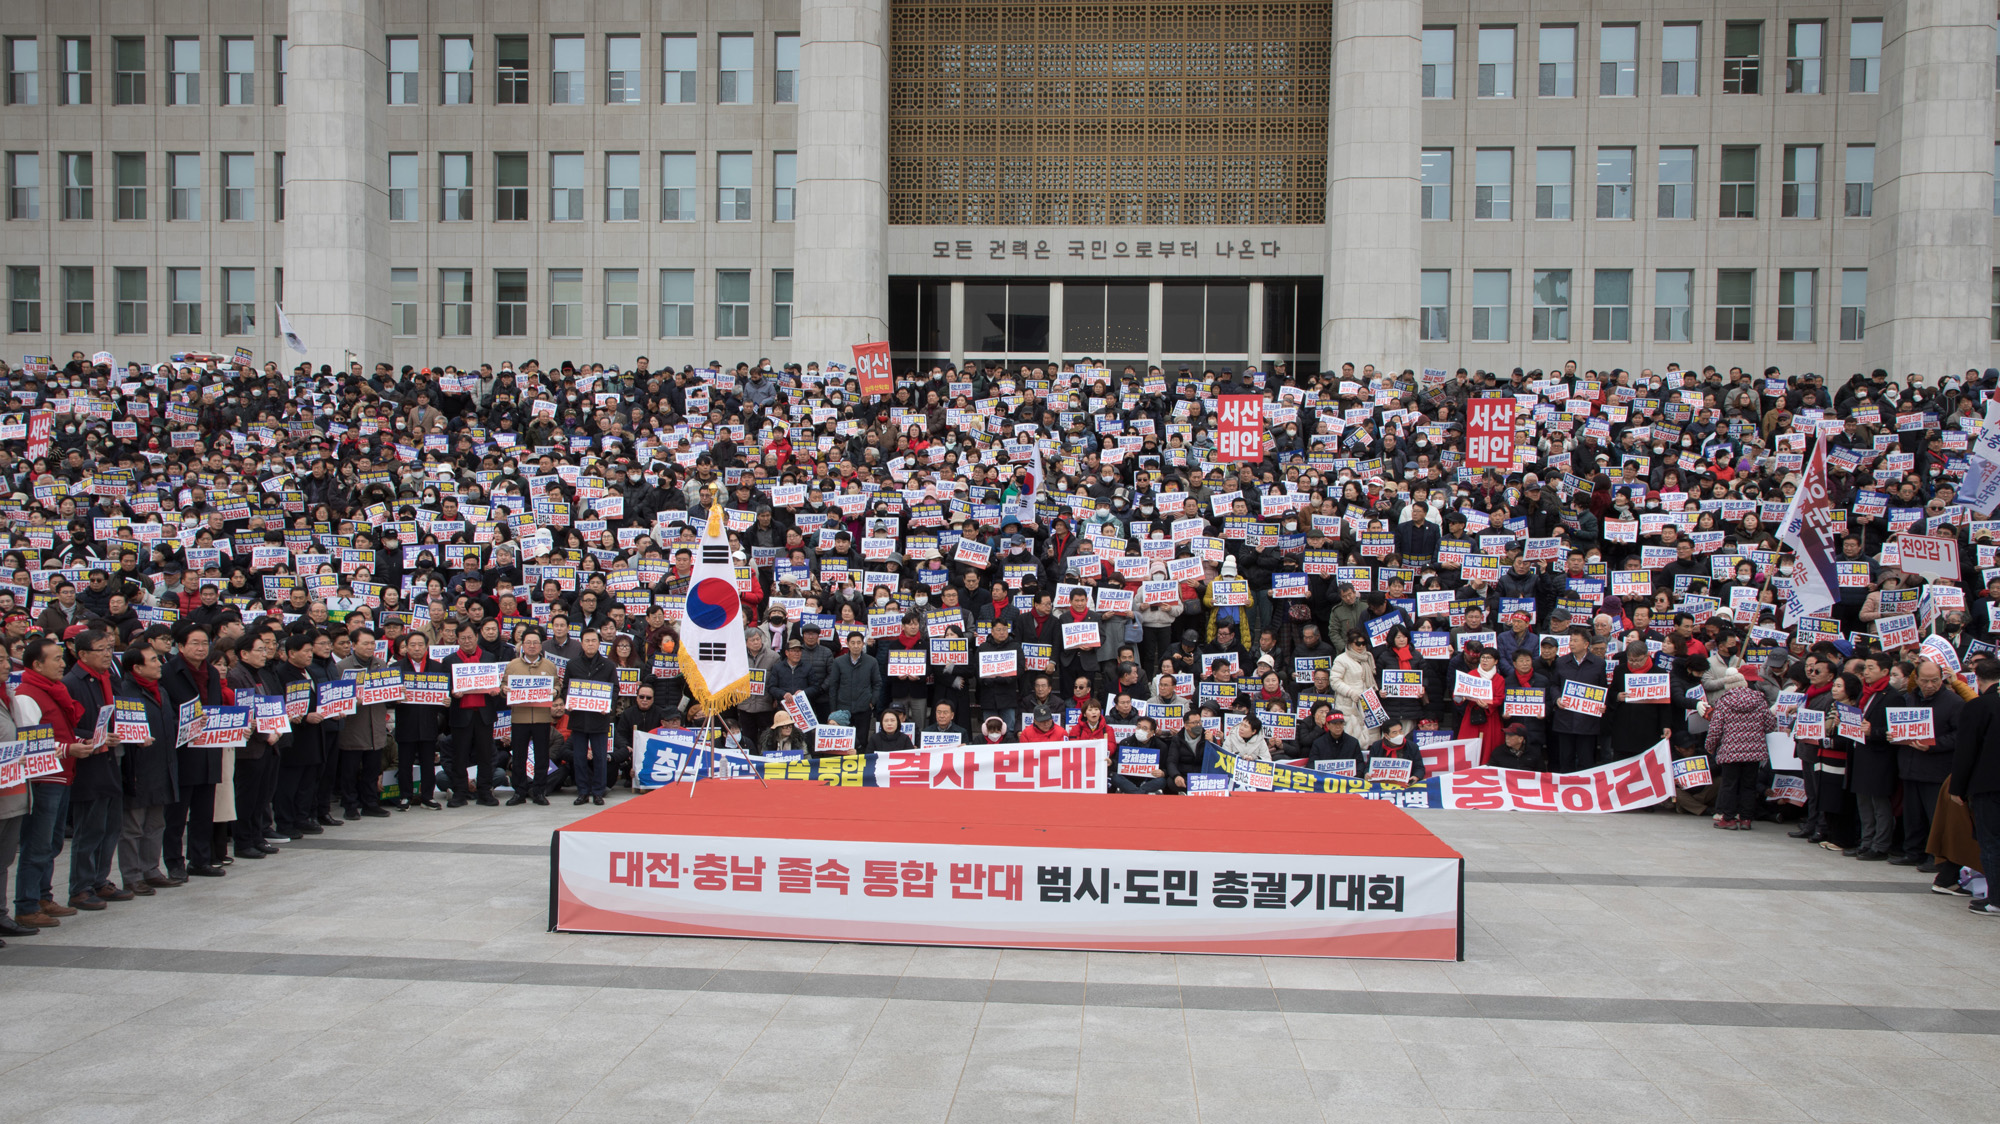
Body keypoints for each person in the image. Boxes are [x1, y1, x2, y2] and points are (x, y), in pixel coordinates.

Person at [14, 637, 96, 922]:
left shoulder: (53, 690)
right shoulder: (27, 695)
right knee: (37, 844)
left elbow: (59, 732)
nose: (63, 664)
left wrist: (86, 740)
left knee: (51, 843)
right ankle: (27, 905)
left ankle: (43, 896)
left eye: (63, 658)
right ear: (37, 664)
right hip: (43, 779)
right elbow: (30, 744)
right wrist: (67, 749)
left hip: (62, 775)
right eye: (56, 659)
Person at [114, 643, 179, 899]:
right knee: (132, 828)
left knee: (155, 823)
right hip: (137, 769)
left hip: (162, 766)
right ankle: (132, 876)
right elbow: (121, 731)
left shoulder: (160, 690)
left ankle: (151, 869)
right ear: (137, 667)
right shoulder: (125, 693)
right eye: (153, 660)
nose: (159, 664)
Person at [1950, 656, 2000, 914]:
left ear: (1978, 680)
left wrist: (1957, 788)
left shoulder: (1979, 706)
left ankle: (1996, 899)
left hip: (1988, 785)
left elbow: (1966, 751)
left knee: (1991, 841)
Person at [1703, 668, 1774, 830]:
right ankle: (1746, 819)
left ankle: (1728, 818)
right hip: (1754, 752)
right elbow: (1770, 725)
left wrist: (1710, 747)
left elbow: (1715, 730)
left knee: (1729, 785)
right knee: (1749, 786)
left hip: (1730, 752)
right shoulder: (1759, 700)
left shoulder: (1724, 702)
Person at [334, 627, 392, 820]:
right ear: (353, 645)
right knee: (350, 770)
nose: (369, 647)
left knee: (372, 769)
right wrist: (352, 700)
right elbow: (337, 699)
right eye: (365, 643)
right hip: (353, 727)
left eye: (372, 643)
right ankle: (350, 804)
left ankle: (370, 803)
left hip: (375, 725)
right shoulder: (342, 667)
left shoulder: (380, 664)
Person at [500, 625, 558, 806]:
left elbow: (557, 686)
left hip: (542, 717)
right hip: (520, 717)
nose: (532, 646)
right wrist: (504, 690)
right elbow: (503, 688)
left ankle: (539, 791)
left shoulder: (549, 666)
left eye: (535, 643)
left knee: (541, 756)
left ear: (541, 646)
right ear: (522, 645)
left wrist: (554, 692)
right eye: (528, 643)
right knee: (519, 757)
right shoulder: (512, 665)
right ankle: (519, 791)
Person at [563, 629, 618, 806]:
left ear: (599, 643)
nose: (590, 644)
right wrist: (568, 702)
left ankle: (598, 791)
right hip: (579, 717)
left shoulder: (608, 665)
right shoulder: (573, 664)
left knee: (600, 757)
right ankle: (582, 791)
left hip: (599, 718)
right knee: (579, 758)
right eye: (587, 641)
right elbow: (566, 688)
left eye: (594, 641)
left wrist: (607, 706)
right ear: (581, 642)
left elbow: (614, 689)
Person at [392, 630, 445, 810]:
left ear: (426, 647)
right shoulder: (396, 668)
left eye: (420, 645)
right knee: (405, 762)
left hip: (428, 723)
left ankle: (427, 796)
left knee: (428, 763)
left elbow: (443, 696)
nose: (416, 648)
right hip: (406, 722)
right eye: (412, 645)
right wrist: (395, 698)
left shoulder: (437, 667)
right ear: (406, 647)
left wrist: (446, 701)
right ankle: (405, 796)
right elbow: (387, 699)